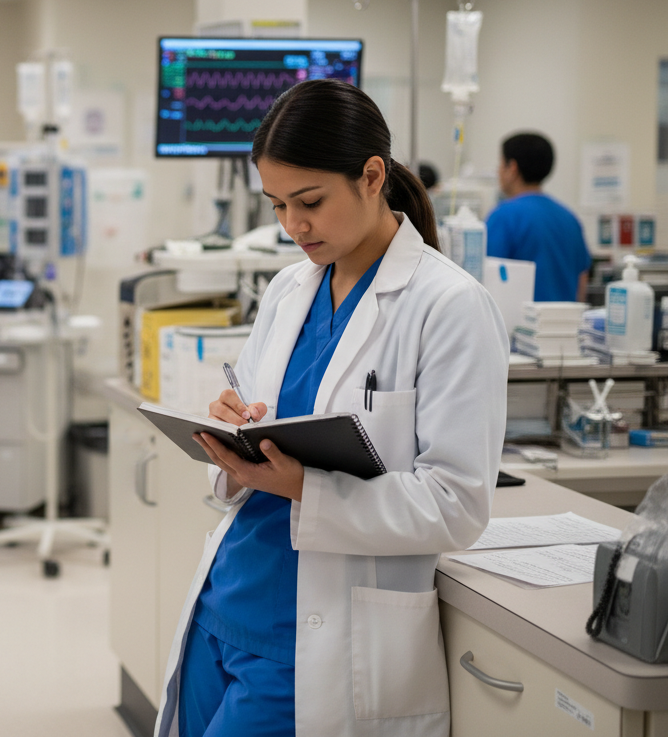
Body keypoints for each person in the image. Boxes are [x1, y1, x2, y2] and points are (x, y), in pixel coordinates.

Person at [156, 79, 509, 737]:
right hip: (225, 604)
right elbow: (258, 439)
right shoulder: (290, 287)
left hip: (314, 642)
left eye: (309, 202)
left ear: (372, 176)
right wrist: (235, 439)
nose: (293, 226)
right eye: (279, 205)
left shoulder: (449, 306)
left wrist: (304, 489)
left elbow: (458, 504)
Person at [486, 132, 592, 302]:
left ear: (512, 168)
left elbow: (486, 279)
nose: (498, 171)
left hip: (518, 326)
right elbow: (582, 279)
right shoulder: (569, 218)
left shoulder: (503, 216)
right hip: (566, 324)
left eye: (500, 164)